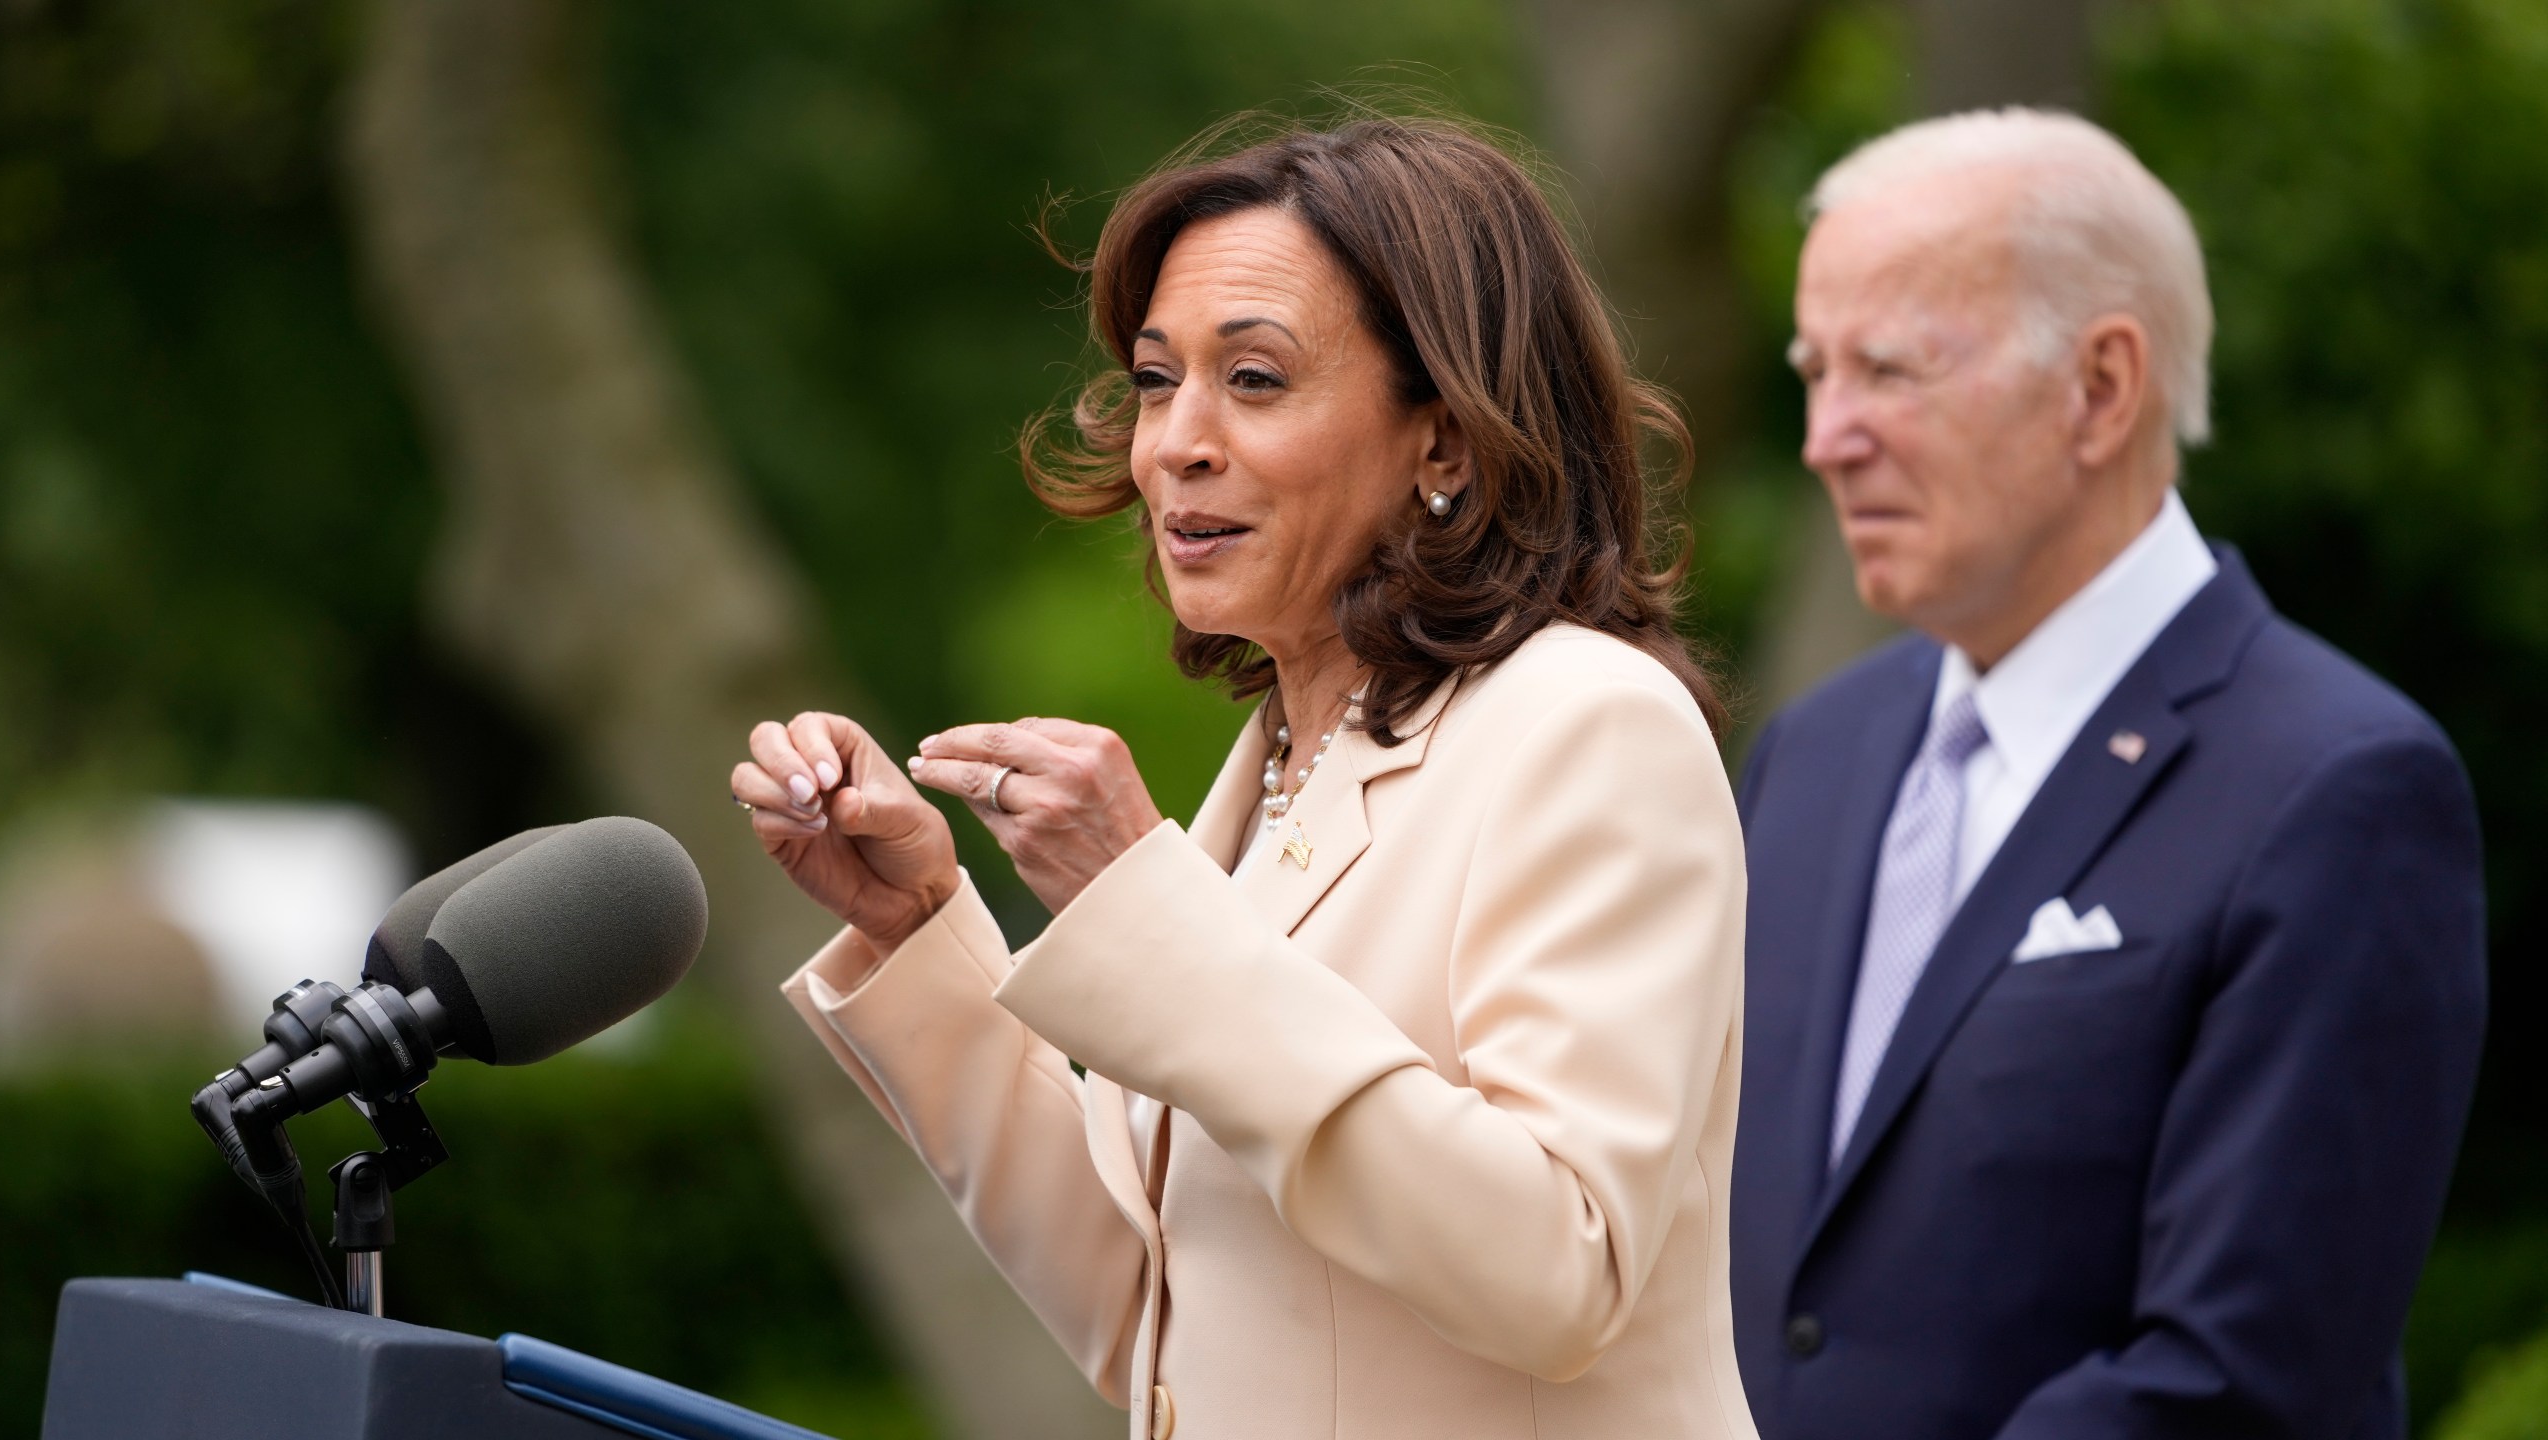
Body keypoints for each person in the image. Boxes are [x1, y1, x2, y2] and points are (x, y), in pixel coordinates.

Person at [732, 116, 1759, 1440]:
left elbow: (1559, 1269)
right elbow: (1148, 1315)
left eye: (1256, 380)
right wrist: (919, 925)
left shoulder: (1592, 726)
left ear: (1443, 443)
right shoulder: (1279, 755)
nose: (1175, 445)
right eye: (1159, 382)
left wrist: (1148, 909)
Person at [1730, 108, 2488, 1439]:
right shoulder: (1814, 754)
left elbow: (2241, 1379)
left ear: (2101, 389)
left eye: (1890, 371)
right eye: (1816, 370)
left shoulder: (2340, 791)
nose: (1826, 437)